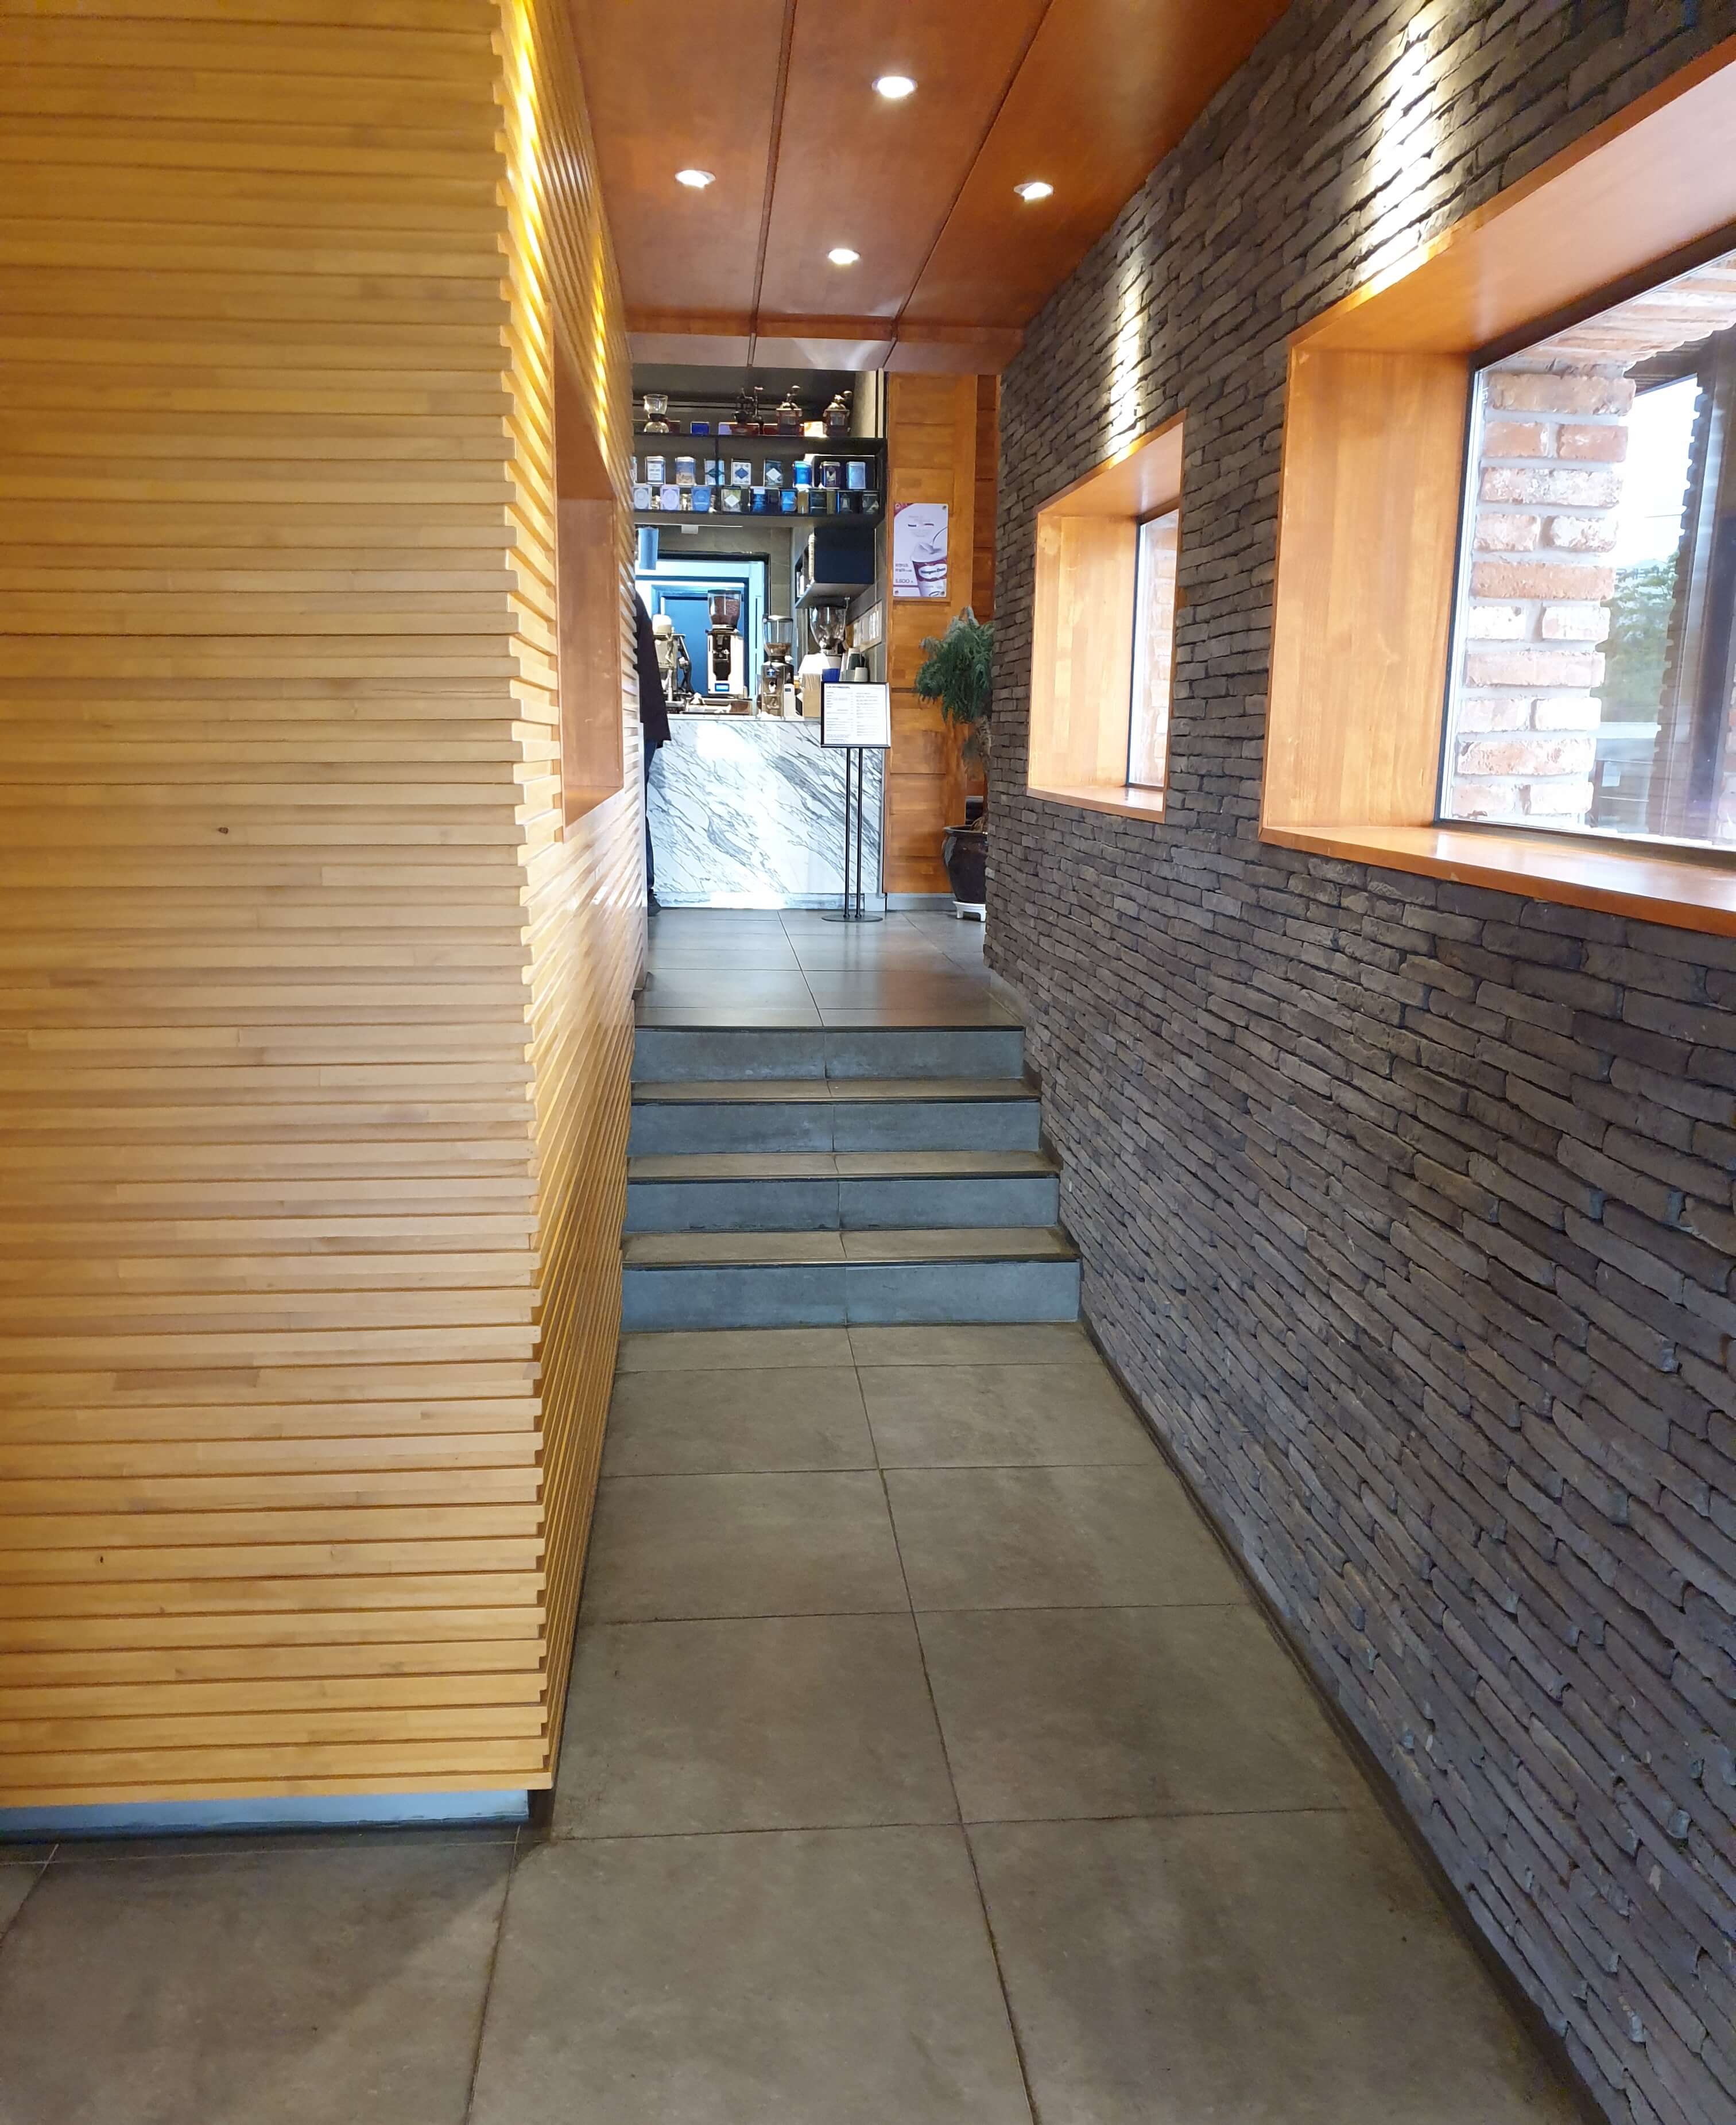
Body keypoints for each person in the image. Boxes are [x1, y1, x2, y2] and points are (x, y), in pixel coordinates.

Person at [634, 591, 672, 913]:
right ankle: (645, 891)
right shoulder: (630, 600)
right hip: (645, 720)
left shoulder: (624, 601)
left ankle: (646, 891)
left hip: (640, 720)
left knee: (633, 807)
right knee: (635, 806)